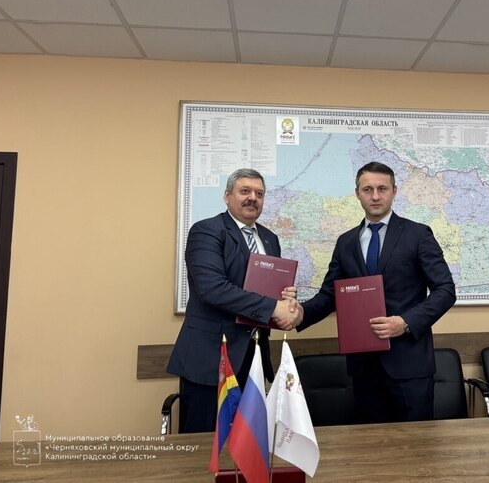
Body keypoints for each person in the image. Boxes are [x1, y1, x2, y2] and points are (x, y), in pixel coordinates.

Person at [296, 161, 456, 423]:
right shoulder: (346, 242)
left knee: (417, 443)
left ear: (394, 191)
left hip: (409, 366)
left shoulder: (417, 234)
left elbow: (445, 290)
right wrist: (299, 313)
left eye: (382, 189)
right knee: (370, 443)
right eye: (367, 189)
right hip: (364, 368)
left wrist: (405, 322)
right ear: (357, 194)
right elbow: (329, 295)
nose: (375, 196)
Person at [167, 168, 300, 433]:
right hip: (211, 359)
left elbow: (269, 292)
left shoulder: (270, 238)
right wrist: (274, 307)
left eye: (259, 193)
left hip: (254, 359)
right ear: (227, 196)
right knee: (205, 442)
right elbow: (212, 289)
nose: (253, 198)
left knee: (248, 442)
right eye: (245, 191)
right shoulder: (207, 231)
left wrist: (287, 303)